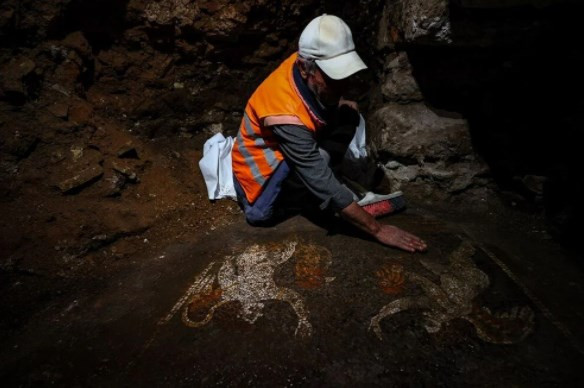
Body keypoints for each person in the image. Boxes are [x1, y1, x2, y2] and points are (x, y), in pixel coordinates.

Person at [231, 14, 427, 253]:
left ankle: (329, 189)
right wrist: (378, 230)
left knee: (348, 114)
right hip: (260, 196)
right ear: (305, 68)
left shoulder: (301, 63)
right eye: (333, 78)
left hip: (286, 159)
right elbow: (314, 171)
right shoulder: (284, 111)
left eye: (344, 75)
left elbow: (318, 102)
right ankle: (327, 196)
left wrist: (338, 99)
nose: (341, 84)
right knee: (319, 169)